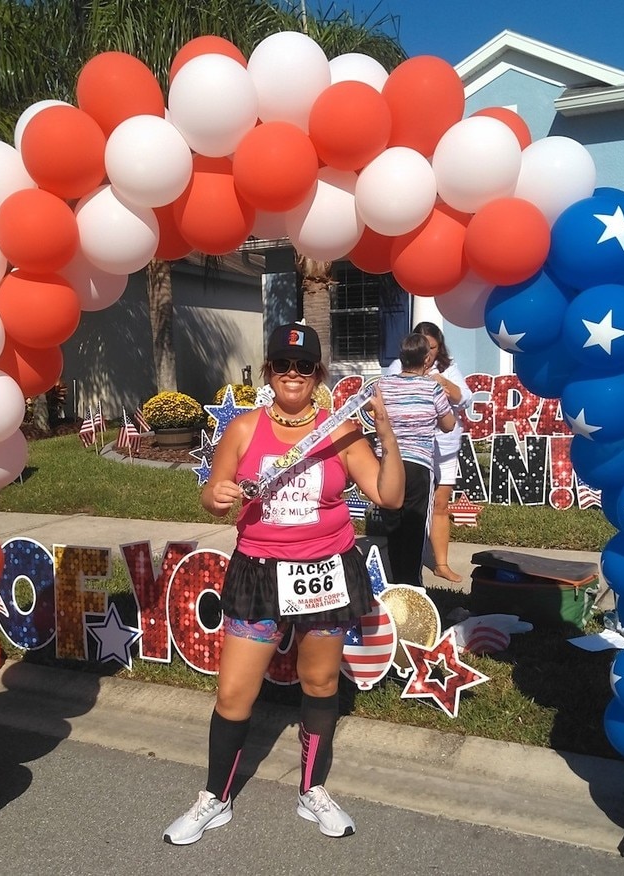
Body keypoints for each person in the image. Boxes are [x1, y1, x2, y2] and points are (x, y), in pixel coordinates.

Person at [163, 322, 404, 845]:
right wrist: (217, 495)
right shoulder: (245, 429)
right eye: (282, 365)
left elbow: (388, 497)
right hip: (259, 572)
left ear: (316, 375)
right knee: (233, 693)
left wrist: (386, 435)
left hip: (325, 569)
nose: (292, 374)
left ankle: (311, 790)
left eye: (304, 366)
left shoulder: (340, 431)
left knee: (319, 684)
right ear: (269, 372)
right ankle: (215, 798)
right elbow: (211, 494)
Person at [377, 332, 455, 589]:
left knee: (393, 525)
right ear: (426, 360)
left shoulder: (382, 385)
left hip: (387, 464)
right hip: (418, 464)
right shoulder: (432, 387)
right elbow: (448, 424)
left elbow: (367, 410)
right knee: (414, 527)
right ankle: (410, 586)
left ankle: (395, 583)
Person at [414, 321, 473, 584]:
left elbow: (465, 398)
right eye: (424, 348)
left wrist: (443, 382)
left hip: (446, 448)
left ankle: (441, 564)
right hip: (416, 447)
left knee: (440, 504)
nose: (428, 354)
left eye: (433, 348)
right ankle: (411, 562)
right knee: (414, 506)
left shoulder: (448, 367)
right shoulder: (401, 366)